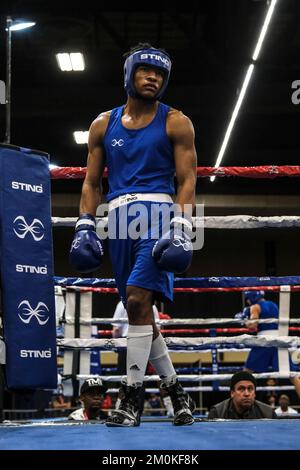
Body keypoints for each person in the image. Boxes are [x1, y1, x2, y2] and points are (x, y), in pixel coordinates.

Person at [69, 42, 197, 427]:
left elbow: (188, 178)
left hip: (158, 215)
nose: (153, 77)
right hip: (119, 219)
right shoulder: (102, 125)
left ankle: (131, 399)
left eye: (159, 73)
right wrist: (85, 223)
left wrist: (181, 225)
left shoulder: (176, 121)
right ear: (128, 74)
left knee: (139, 298)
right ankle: (176, 392)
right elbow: (92, 182)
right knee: (139, 310)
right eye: (145, 70)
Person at [235, 290, 300, 396]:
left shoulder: (255, 307)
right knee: (293, 376)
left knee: (245, 374)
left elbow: (252, 325)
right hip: (279, 340)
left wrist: (242, 320)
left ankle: (236, 403)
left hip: (264, 341)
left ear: (250, 299)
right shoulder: (274, 305)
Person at [208, 371, 277, 419]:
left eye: (250, 389)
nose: (247, 394)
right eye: (241, 389)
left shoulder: (269, 413)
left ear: (255, 393)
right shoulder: (217, 413)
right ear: (232, 393)